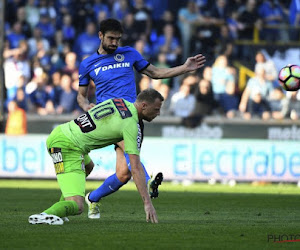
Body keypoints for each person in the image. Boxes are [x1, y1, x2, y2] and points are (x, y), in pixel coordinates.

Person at [76, 18, 206, 219]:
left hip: (132, 115)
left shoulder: (129, 54)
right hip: (108, 117)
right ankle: (147, 180)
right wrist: (86, 106)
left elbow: (154, 72)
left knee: (123, 174)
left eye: (117, 39)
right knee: (130, 152)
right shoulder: (87, 64)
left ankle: (93, 197)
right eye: (110, 38)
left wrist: (183, 68)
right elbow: (81, 96)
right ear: (100, 35)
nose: (114, 43)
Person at [28, 89, 164, 225]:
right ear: (144, 105)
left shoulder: (119, 102)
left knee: (88, 167)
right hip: (68, 146)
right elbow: (135, 167)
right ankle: (45, 215)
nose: (158, 113)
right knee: (77, 206)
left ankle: (61, 208)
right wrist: (147, 203)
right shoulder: (130, 125)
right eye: (156, 109)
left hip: (63, 132)